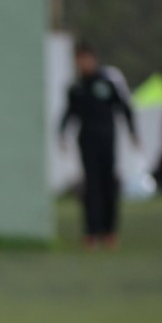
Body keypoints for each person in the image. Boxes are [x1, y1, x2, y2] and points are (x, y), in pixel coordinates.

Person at [59, 41, 139, 249]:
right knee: (91, 186)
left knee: (108, 184)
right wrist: (61, 135)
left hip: (107, 139)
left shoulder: (108, 81)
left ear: (93, 58)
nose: (83, 63)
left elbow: (124, 107)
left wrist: (133, 132)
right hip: (87, 141)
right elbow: (69, 113)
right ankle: (91, 232)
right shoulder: (76, 87)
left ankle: (109, 231)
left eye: (86, 58)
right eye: (79, 59)